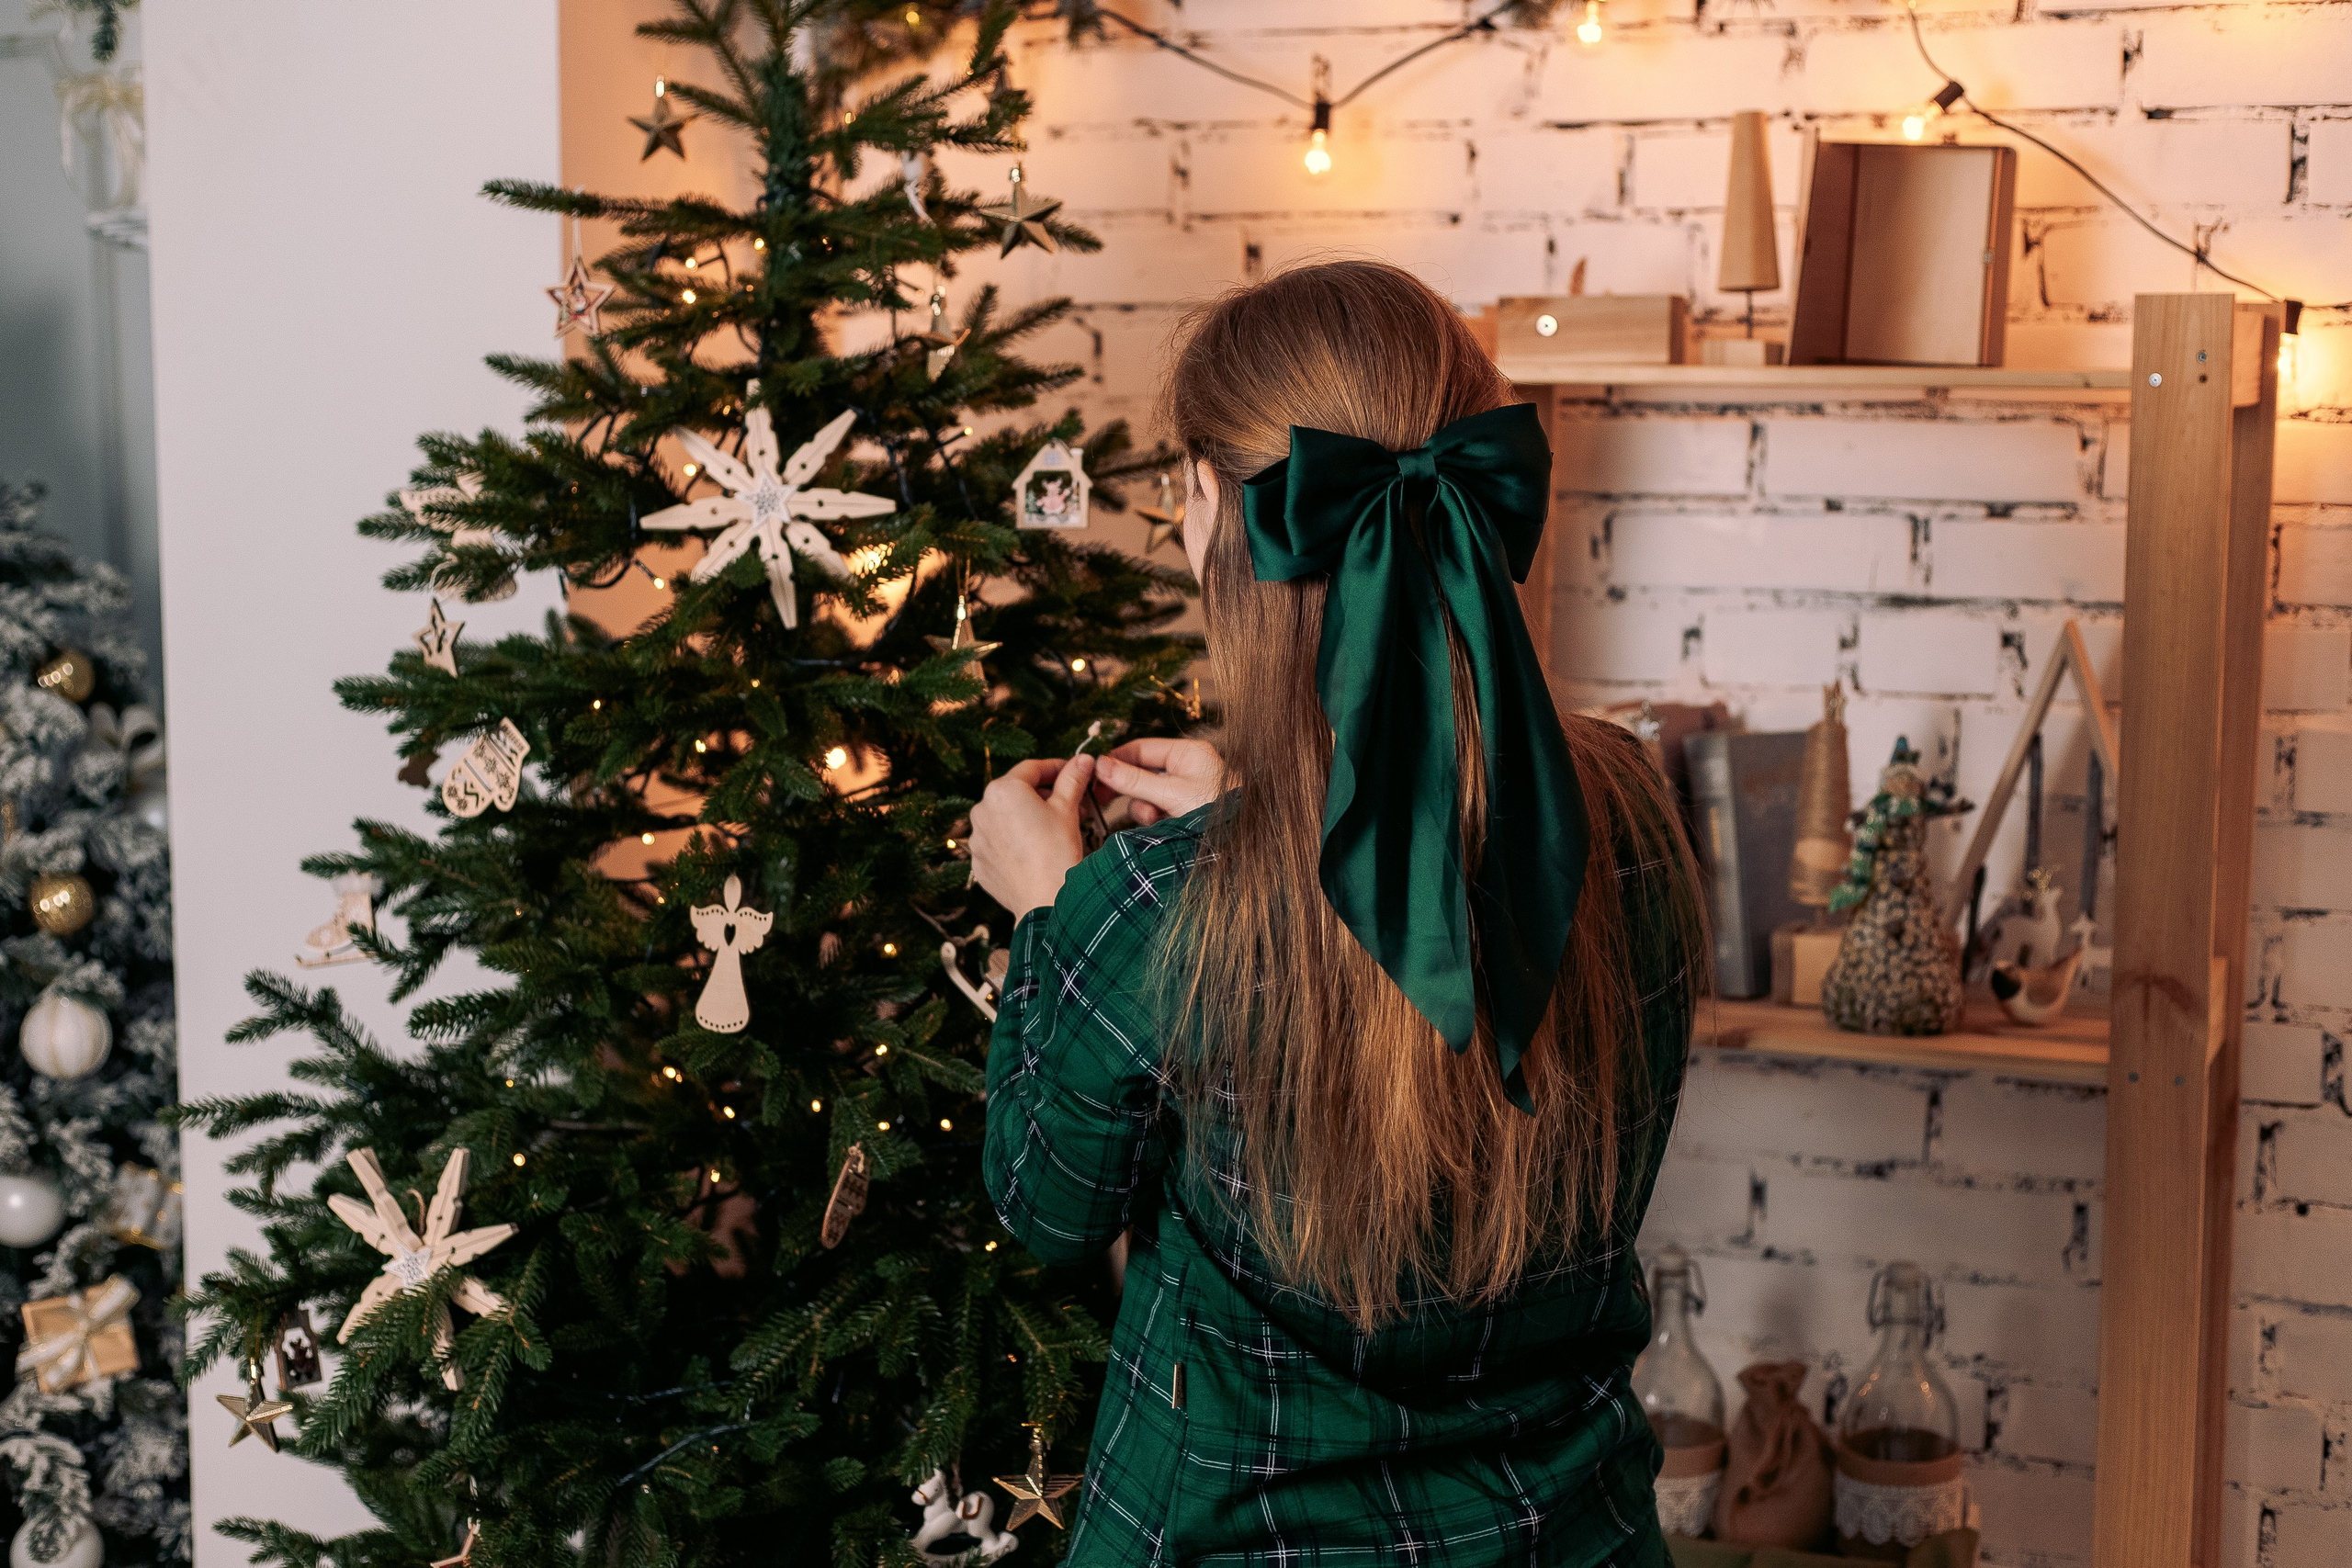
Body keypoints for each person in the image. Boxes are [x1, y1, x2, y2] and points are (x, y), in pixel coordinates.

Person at [967, 258, 1709, 1568]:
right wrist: (1260, 812)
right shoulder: (1635, 815)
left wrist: (1052, 910)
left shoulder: (1146, 910)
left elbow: (1050, 1206)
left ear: (1206, 507)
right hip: (1573, 1537)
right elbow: (1434, 893)